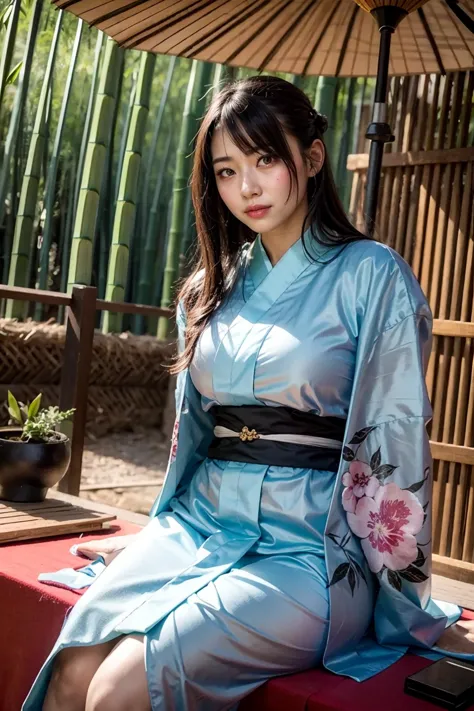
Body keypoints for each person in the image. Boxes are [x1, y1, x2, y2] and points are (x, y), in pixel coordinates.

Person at [24, 76, 474, 711]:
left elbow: (394, 439)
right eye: (227, 170)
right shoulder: (207, 288)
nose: (248, 188)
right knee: (72, 671)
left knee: (118, 690)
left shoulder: (373, 277)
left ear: (312, 158)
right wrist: (157, 529)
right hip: (199, 523)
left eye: (266, 159)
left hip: (309, 549)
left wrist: (397, 596)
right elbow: (194, 437)